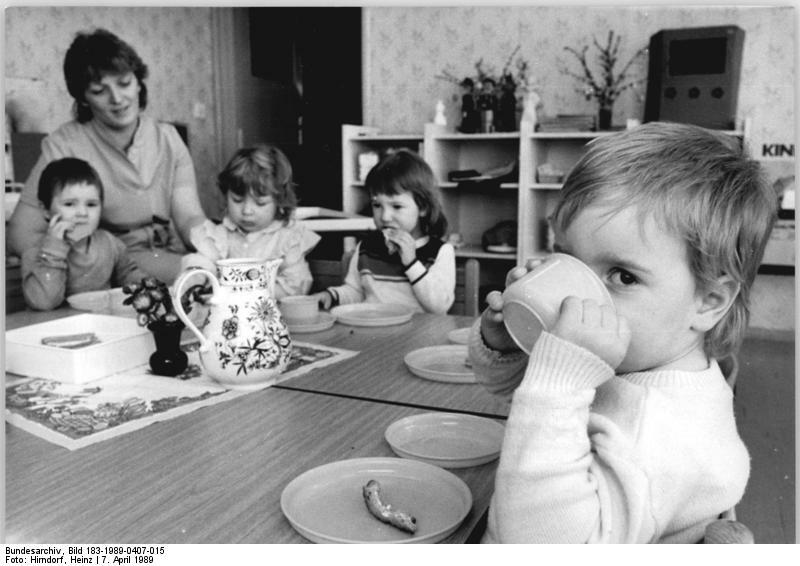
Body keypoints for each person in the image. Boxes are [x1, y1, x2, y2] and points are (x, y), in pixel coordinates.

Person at [468, 122, 777, 543]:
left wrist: (557, 386)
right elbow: (519, 394)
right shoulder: (641, 355)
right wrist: (507, 346)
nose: (576, 295)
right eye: (568, 258)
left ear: (709, 301)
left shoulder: (657, 435)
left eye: (623, 277)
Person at [6, 28, 207, 283]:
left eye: (124, 83)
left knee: (214, 272)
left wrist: (216, 242)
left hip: (161, 257)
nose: (117, 99)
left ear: (138, 82)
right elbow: (20, 234)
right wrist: (83, 263)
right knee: (200, 276)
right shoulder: (64, 146)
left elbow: (189, 215)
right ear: (84, 99)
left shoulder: (168, 138)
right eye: (99, 91)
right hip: (105, 265)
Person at [313, 149, 455, 314]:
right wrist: (331, 296)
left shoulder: (440, 251)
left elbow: (439, 307)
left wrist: (412, 263)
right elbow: (355, 293)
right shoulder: (366, 247)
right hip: (374, 330)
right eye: (377, 205)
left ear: (422, 207)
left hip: (418, 335)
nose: (385, 217)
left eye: (397, 206)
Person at [180, 144, 320, 299]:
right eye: (237, 200)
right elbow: (201, 263)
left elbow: (296, 287)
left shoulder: (288, 239)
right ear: (226, 195)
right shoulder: (219, 235)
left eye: (260, 203)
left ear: (279, 201)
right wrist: (194, 278)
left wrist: (241, 293)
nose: (247, 211)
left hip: (270, 316)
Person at [21, 157, 150, 311]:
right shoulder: (35, 253)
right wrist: (54, 252)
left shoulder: (109, 243)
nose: (82, 213)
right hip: (57, 328)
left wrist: (148, 287)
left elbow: (129, 275)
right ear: (45, 210)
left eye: (91, 204)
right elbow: (44, 303)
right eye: (69, 204)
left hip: (100, 324)